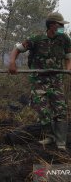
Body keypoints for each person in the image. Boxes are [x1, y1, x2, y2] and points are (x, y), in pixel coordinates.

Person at [9, 12, 71, 150]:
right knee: (42, 109)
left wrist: (68, 69)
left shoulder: (64, 39)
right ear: (52, 25)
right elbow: (17, 49)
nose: (62, 27)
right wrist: (12, 62)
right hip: (39, 80)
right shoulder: (36, 39)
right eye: (60, 25)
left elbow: (68, 57)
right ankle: (50, 136)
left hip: (56, 79)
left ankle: (61, 142)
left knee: (60, 109)